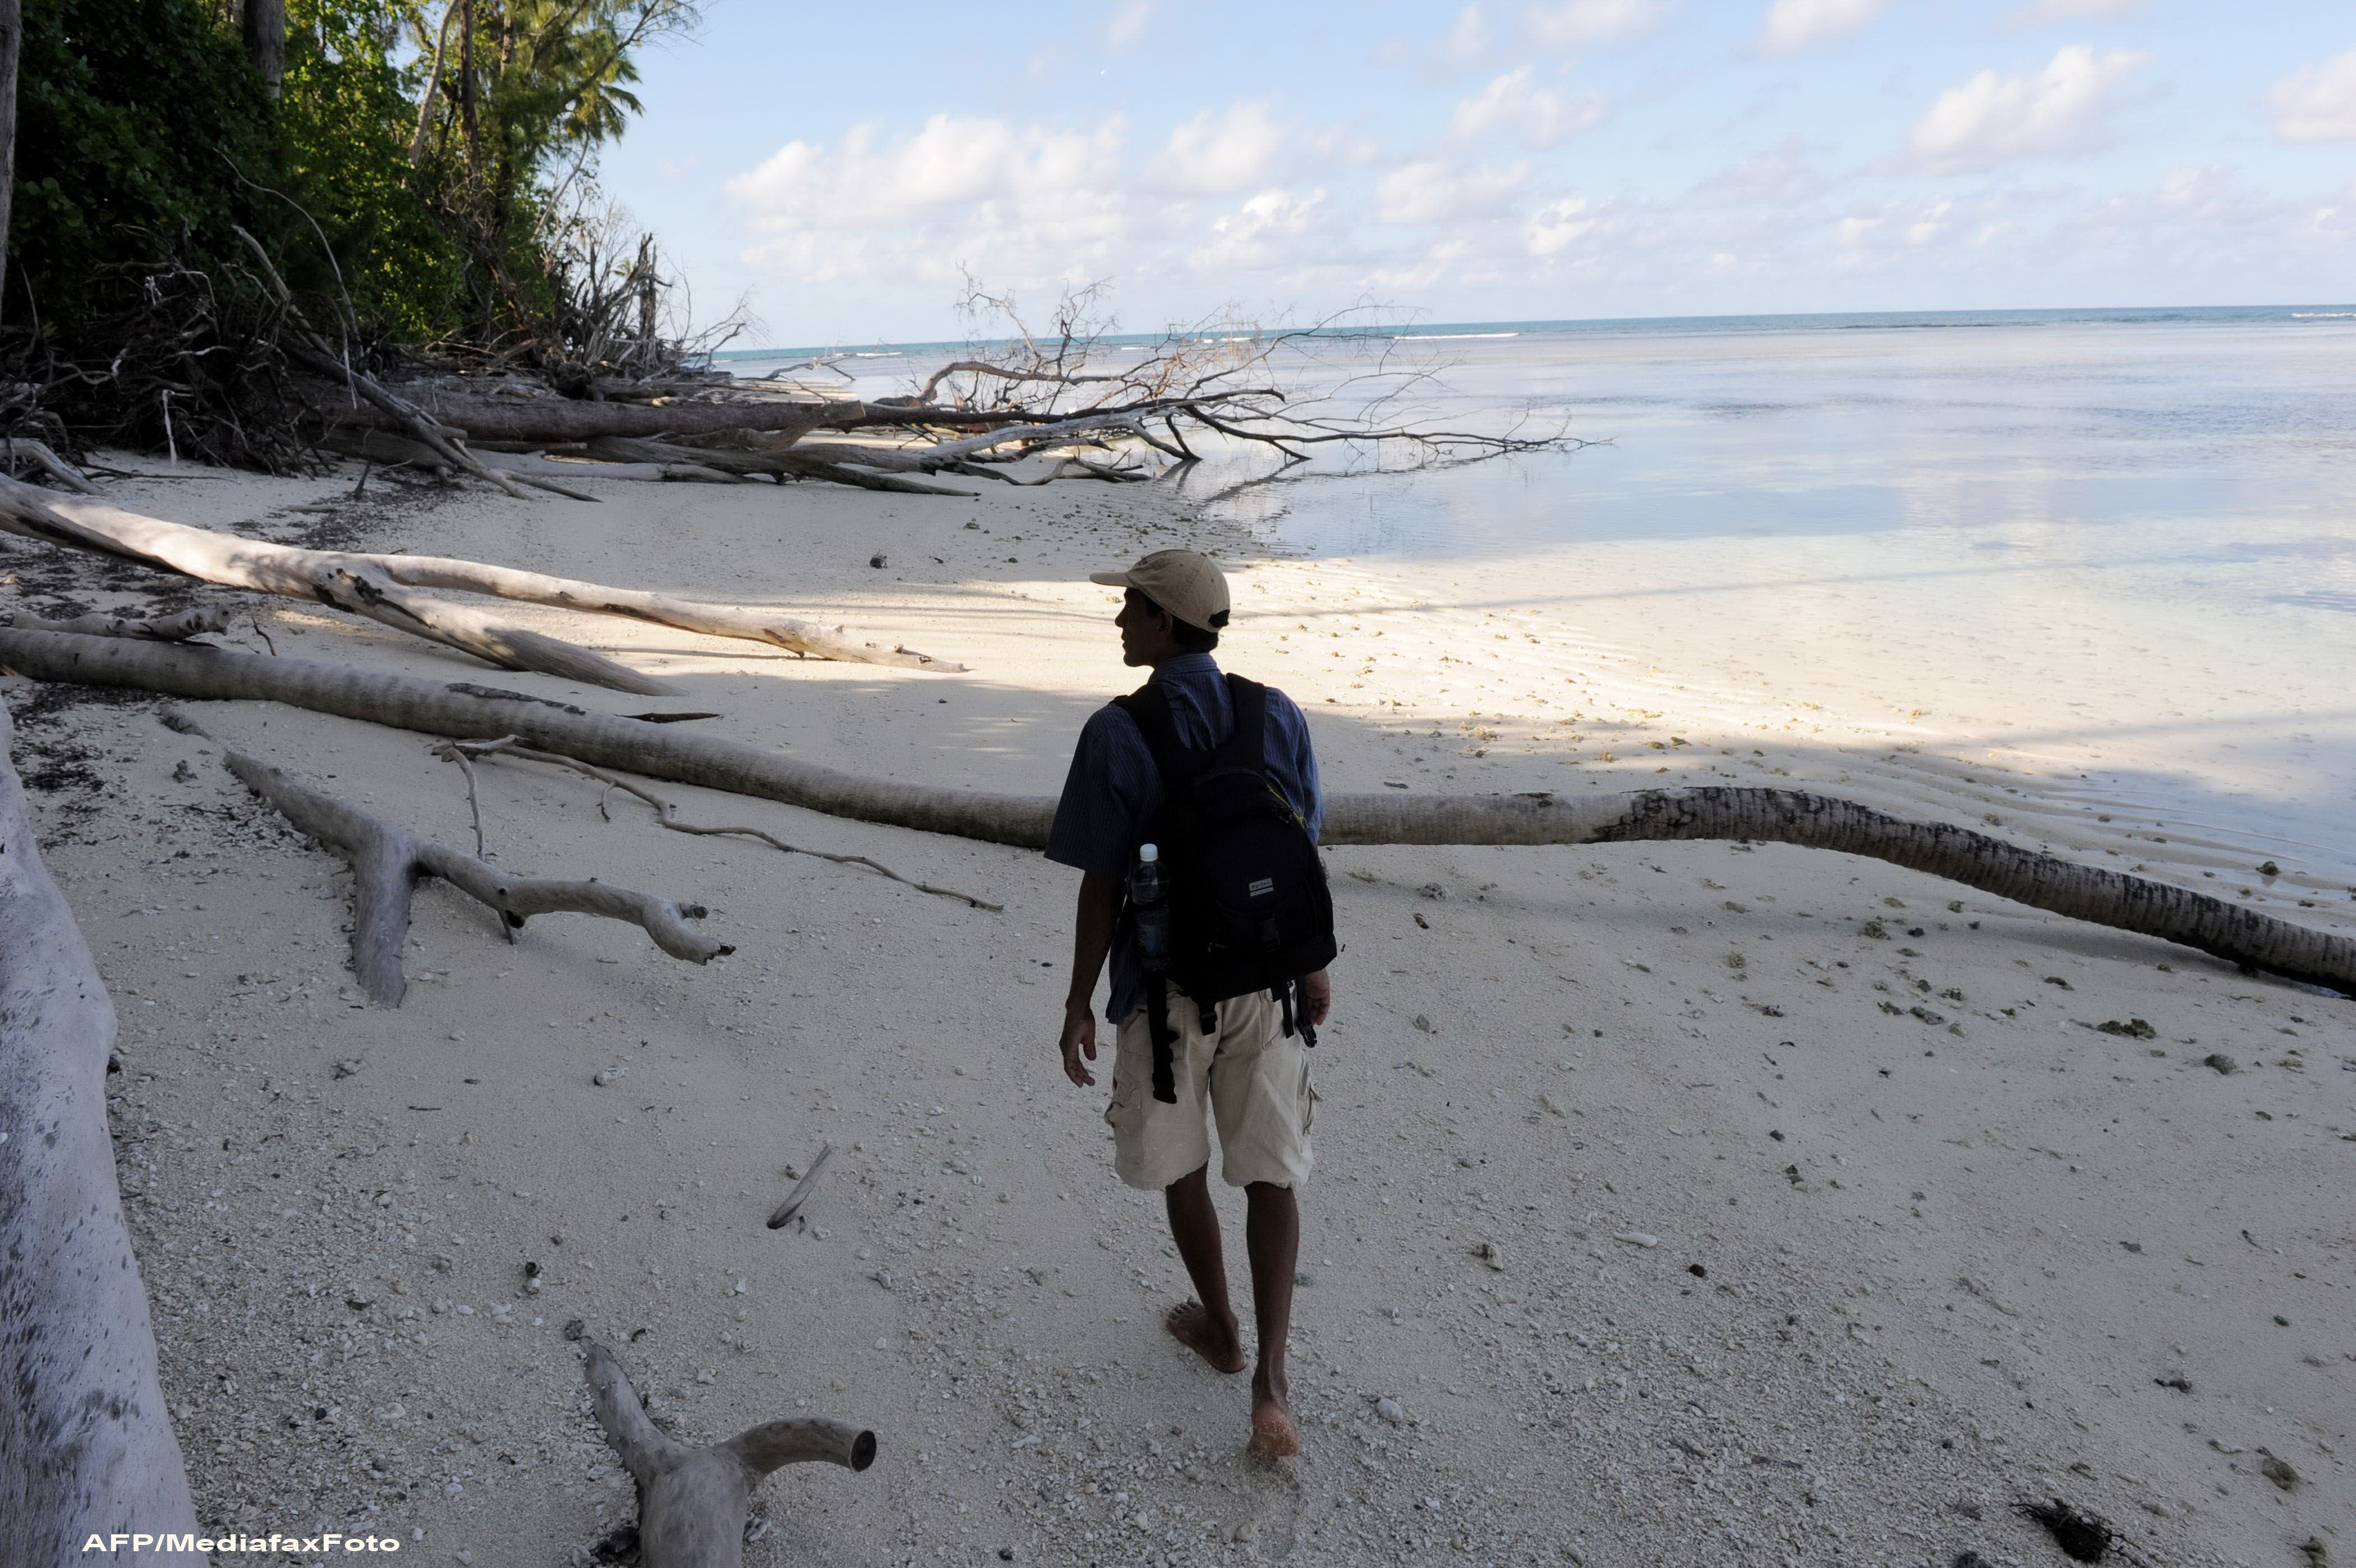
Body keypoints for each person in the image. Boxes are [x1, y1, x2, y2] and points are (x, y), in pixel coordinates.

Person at [1046, 548, 1333, 1461]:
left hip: (1168, 995)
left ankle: (1221, 1327)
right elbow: (1304, 850)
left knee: (1182, 1166)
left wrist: (1080, 1000)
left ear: (1167, 622)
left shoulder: (1116, 733)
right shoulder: (1274, 712)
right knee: (1273, 1173)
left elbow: (1101, 883)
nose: (1120, 621)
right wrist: (1316, 967)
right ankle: (1273, 1384)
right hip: (1270, 983)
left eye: (1132, 607)